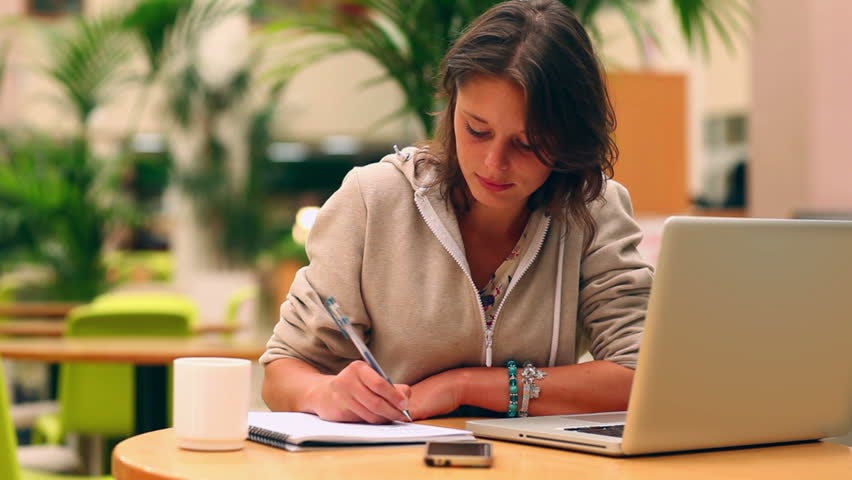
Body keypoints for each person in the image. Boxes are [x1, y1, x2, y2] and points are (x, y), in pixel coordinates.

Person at [261, 0, 653, 424]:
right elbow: (283, 369)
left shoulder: (595, 212)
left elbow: (642, 375)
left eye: (526, 143)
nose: (493, 164)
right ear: (451, 109)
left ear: (570, 140)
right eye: (477, 130)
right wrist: (324, 391)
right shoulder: (373, 200)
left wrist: (461, 386)